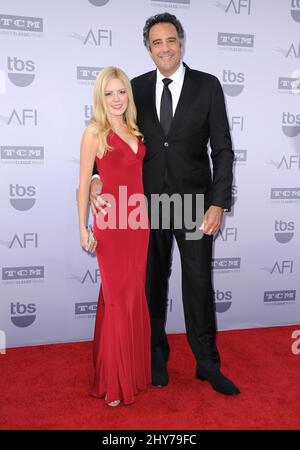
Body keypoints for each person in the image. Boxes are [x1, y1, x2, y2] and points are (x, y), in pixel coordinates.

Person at [90, 13, 240, 396]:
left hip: (193, 203)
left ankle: (207, 363)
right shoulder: (134, 88)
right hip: (145, 206)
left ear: (181, 42)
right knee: (150, 285)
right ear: (149, 49)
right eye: (156, 43)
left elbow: (222, 149)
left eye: (170, 40)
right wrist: (94, 177)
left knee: (198, 285)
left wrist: (218, 202)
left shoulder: (207, 86)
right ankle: (156, 357)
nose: (165, 48)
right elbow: (107, 134)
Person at [78, 66, 151, 407]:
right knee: (118, 298)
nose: (117, 99)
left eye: (121, 92)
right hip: (110, 224)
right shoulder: (95, 132)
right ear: (100, 98)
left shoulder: (135, 130)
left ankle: (129, 373)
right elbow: (85, 181)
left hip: (138, 223)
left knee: (130, 297)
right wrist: (83, 226)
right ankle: (114, 382)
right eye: (109, 93)